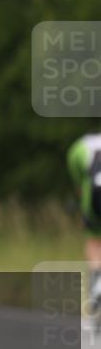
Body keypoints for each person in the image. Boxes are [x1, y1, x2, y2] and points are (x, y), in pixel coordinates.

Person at [67, 133, 101, 312]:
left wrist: (80, 192)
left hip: (94, 202)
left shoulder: (83, 145)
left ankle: (97, 281)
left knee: (94, 242)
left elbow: (78, 179)